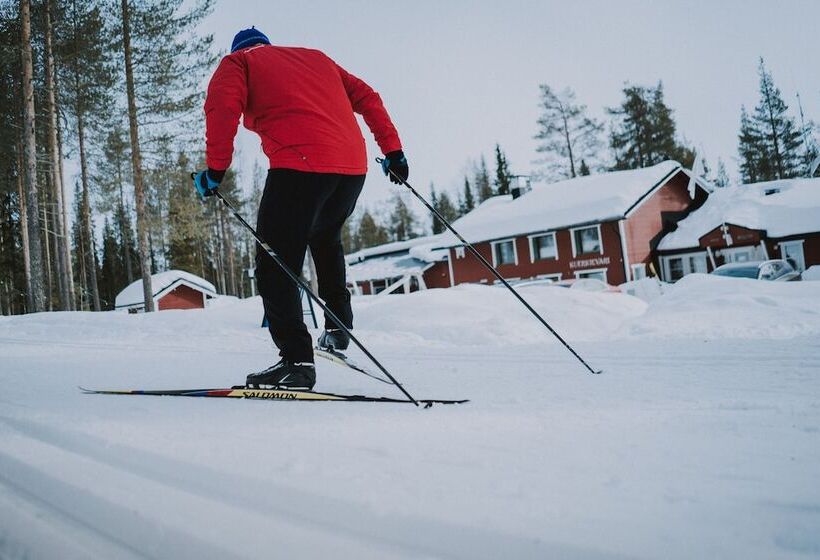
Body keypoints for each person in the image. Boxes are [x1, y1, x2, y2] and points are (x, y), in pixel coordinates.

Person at [192, 27, 408, 390]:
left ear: (240, 49)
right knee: (325, 239)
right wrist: (394, 152)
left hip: (300, 166)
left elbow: (222, 105)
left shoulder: (239, 62)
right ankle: (338, 331)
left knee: (275, 261)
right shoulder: (317, 59)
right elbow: (368, 97)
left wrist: (215, 170)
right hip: (351, 169)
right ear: (268, 45)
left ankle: (296, 360)